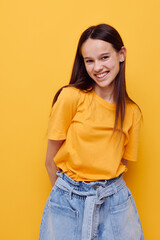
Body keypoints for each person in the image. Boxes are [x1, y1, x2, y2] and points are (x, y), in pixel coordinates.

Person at [39, 24, 144, 240]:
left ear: (121, 54)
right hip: (67, 199)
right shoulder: (70, 97)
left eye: (104, 57)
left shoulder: (132, 113)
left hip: (115, 202)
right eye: (89, 60)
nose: (97, 67)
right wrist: (66, 197)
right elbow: (50, 162)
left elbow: (122, 162)